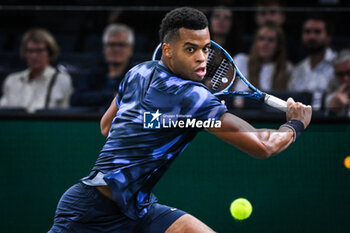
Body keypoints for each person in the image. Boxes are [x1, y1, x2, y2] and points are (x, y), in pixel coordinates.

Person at [48, 7, 312, 233]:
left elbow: (107, 126)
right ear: (167, 49)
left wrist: (176, 120)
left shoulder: (139, 71)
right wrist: (295, 124)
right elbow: (263, 145)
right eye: (190, 49)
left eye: (206, 49)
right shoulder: (194, 97)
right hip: (89, 213)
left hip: (139, 209)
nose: (201, 58)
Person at [0, 28, 73, 113]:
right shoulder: (12, 80)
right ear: (24, 53)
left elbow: (63, 115)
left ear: (50, 53)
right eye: (30, 51)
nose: (34, 56)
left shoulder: (61, 80)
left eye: (39, 51)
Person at [70, 24, 134, 111]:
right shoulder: (92, 74)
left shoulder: (137, 76)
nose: (116, 49)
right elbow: (76, 99)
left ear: (130, 49)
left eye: (121, 45)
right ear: (104, 48)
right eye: (111, 44)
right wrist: (111, 95)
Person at [233, 23, 293, 108]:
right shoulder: (241, 61)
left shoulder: (286, 68)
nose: (265, 44)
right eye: (261, 39)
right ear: (255, 42)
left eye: (270, 40)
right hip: (239, 114)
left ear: (279, 45)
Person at [288, 15, 337, 110]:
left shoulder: (339, 66)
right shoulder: (298, 69)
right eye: (307, 32)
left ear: (328, 37)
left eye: (317, 32)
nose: (311, 36)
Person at [325, 49, 350, 116]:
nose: (346, 78)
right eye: (340, 74)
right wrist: (332, 111)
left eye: (349, 73)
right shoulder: (332, 99)